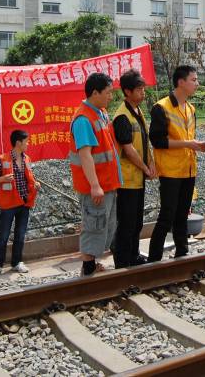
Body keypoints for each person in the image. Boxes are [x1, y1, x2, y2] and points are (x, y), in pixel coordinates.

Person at [148, 65, 205, 262]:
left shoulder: (190, 108)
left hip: (188, 169)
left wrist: (196, 146)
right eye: (194, 80)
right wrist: (189, 144)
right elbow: (157, 141)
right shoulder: (161, 107)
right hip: (170, 171)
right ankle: (154, 260)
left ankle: (182, 254)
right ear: (181, 82)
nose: (197, 84)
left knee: (183, 215)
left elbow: (188, 137)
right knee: (167, 216)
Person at [69, 72, 122, 276]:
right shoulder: (83, 119)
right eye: (108, 93)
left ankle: (92, 265)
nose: (111, 97)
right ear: (95, 92)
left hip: (107, 183)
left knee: (105, 224)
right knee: (94, 225)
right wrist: (94, 185)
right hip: (96, 186)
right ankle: (88, 269)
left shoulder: (100, 113)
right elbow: (85, 155)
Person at [112, 69, 156, 268]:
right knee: (127, 222)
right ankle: (122, 260)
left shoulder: (137, 111)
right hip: (128, 179)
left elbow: (144, 142)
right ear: (127, 92)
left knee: (137, 220)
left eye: (143, 89)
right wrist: (146, 168)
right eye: (139, 89)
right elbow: (128, 149)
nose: (143, 92)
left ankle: (134, 255)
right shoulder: (122, 116)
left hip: (137, 177)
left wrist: (151, 163)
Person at [0, 129, 39, 276]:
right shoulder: (2, 159)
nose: (28, 144)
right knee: (3, 236)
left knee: (20, 234)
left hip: (24, 202)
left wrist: (35, 184)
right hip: (7, 204)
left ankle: (17, 262)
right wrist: (2, 179)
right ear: (18, 143)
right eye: (26, 142)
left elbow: (30, 178)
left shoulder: (27, 159)